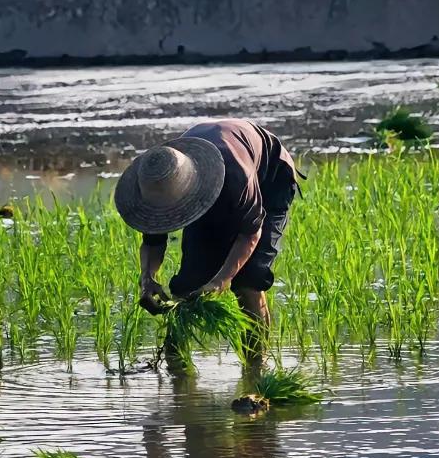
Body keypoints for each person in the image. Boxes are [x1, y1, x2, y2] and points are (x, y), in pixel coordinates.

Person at [114, 119, 301, 361]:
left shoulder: (237, 176)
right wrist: (147, 278)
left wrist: (222, 279)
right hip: (206, 177)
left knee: (249, 280)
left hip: (270, 180)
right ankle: (175, 364)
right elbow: (152, 241)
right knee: (188, 283)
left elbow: (250, 233)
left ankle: (256, 367)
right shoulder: (158, 180)